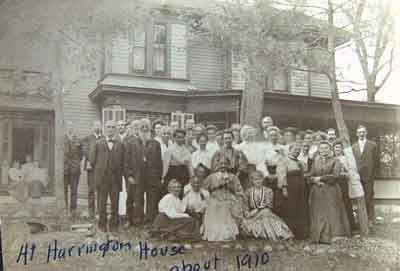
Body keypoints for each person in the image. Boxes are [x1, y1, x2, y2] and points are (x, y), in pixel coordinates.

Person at [308, 141, 351, 243]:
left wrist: (321, 178)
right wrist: (314, 180)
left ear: (330, 149)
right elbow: (310, 175)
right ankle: (320, 237)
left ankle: (335, 236)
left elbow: (336, 176)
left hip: (331, 190)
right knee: (319, 213)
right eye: (321, 148)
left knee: (332, 212)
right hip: (317, 191)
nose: (323, 150)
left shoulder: (336, 161)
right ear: (318, 150)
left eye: (326, 148)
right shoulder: (316, 161)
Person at [124, 118, 163, 227]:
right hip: (137, 177)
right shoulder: (131, 143)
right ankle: (137, 221)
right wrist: (129, 176)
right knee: (137, 199)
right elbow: (126, 162)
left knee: (151, 201)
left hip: (151, 177)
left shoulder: (156, 144)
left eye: (147, 127)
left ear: (150, 129)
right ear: (139, 129)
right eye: (142, 127)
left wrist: (158, 178)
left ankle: (149, 221)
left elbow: (159, 163)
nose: (144, 129)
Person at [90, 120, 124, 232]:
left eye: (113, 127)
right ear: (105, 128)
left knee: (115, 203)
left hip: (115, 178)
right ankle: (102, 225)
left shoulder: (120, 144)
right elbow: (92, 161)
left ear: (115, 129)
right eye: (108, 127)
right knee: (101, 203)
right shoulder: (98, 143)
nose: (110, 129)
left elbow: (123, 161)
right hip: (102, 178)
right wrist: (100, 171)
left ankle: (114, 225)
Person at [240, 170, 293, 241]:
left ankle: (275, 235)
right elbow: (245, 204)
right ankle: (260, 235)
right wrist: (247, 213)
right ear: (252, 181)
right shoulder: (248, 192)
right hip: (254, 215)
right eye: (255, 180)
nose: (258, 181)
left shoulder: (268, 191)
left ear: (262, 179)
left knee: (265, 213)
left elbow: (268, 203)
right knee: (245, 222)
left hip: (265, 212)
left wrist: (257, 210)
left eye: (259, 179)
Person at [202, 156, 245, 241]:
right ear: (217, 164)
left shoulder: (233, 177)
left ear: (228, 165)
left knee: (227, 205)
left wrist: (232, 189)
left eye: (225, 163)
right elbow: (203, 189)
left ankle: (228, 234)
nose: (223, 165)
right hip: (215, 197)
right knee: (214, 205)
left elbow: (239, 190)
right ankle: (215, 234)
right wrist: (210, 194)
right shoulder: (212, 177)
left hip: (228, 197)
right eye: (221, 163)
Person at [276, 143, 309, 240]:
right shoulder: (283, 160)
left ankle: (301, 233)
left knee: (301, 208)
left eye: (299, 150)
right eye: (295, 149)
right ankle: (290, 233)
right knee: (291, 209)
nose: (297, 151)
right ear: (290, 150)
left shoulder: (300, 162)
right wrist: (284, 188)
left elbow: (305, 171)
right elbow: (281, 175)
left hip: (301, 187)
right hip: (290, 187)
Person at [352, 125, 378, 224]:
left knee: (369, 197)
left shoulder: (372, 145)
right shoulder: (353, 146)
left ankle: (371, 220)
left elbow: (376, 161)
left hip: (369, 176)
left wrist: (373, 174)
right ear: (356, 134)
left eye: (363, 132)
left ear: (366, 133)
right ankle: (361, 219)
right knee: (359, 197)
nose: (361, 134)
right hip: (357, 177)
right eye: (359, 132)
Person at [82, 120, 103, 219]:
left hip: (101, 168)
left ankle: (99, 211)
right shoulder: (88, 139)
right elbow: (86, 151)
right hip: (91, 167)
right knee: (91, 189)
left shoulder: (103, 138)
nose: (97, 127)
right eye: (95, 125)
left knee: (100, 189)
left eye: (99, 125)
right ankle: (91, 211)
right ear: (92, 127)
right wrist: (92, 161)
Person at [163, 129, 193, 194]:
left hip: (184, 174)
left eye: (182, 137)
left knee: (183, 193)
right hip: (173, 174)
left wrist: (192, 177)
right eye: (178, 137)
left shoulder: (186, 150)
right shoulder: (169, 150)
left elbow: (189, 165)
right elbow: (166, 166)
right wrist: (162, 177)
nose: (180, 139)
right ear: (174, 138)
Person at [64, 121, 83, 218]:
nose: (70, 128)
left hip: (75, 169)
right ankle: (64, 209)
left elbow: (80, 155)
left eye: (71, 126)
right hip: (64, 169)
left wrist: (76, 163)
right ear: (66, 127)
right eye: (68, 126)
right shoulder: (62, 138)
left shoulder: (78, 140)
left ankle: (73, 210)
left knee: (74, 190)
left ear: (73, 128)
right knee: (64, 190)